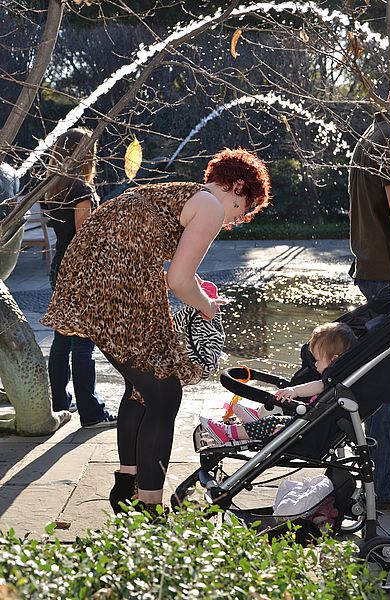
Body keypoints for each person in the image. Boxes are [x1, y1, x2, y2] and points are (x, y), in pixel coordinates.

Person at [41, 147, 271, 515]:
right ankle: (148, 503)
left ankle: (127, 483)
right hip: (117, 285)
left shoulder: (177, 192)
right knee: (165, 394)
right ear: (238, 188)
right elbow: (179, 281)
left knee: (143, 388)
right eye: (242, 211)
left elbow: (166, 267)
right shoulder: (210, 205)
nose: (234, 220)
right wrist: (205, 305)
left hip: (91, 279)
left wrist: (190, 286)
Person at [44, 127, 117, 428]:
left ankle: (60, 403)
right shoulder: (81, 190)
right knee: (83, 344)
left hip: (59, 267)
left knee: (62, 340)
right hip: (80, 273)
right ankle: (91, 412)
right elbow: (84, 238)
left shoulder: (53, 186)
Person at [348, 103, 390, 509]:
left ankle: (382, 478)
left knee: (383, 373)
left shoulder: (378, 132)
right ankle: (384, 483)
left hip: (375, 267)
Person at [200, 322, 357, 443]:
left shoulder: (333, 382)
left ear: (334, 360)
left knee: (272, 422)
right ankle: (257, 416)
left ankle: (229, 433)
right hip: (305, 419)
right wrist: (293, 391)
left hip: (309, 428)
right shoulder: (336, 380)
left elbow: (318, 386)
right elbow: (316, 386)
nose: (315, 365)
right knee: (281, 406)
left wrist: (295, 391)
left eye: (317, 360)